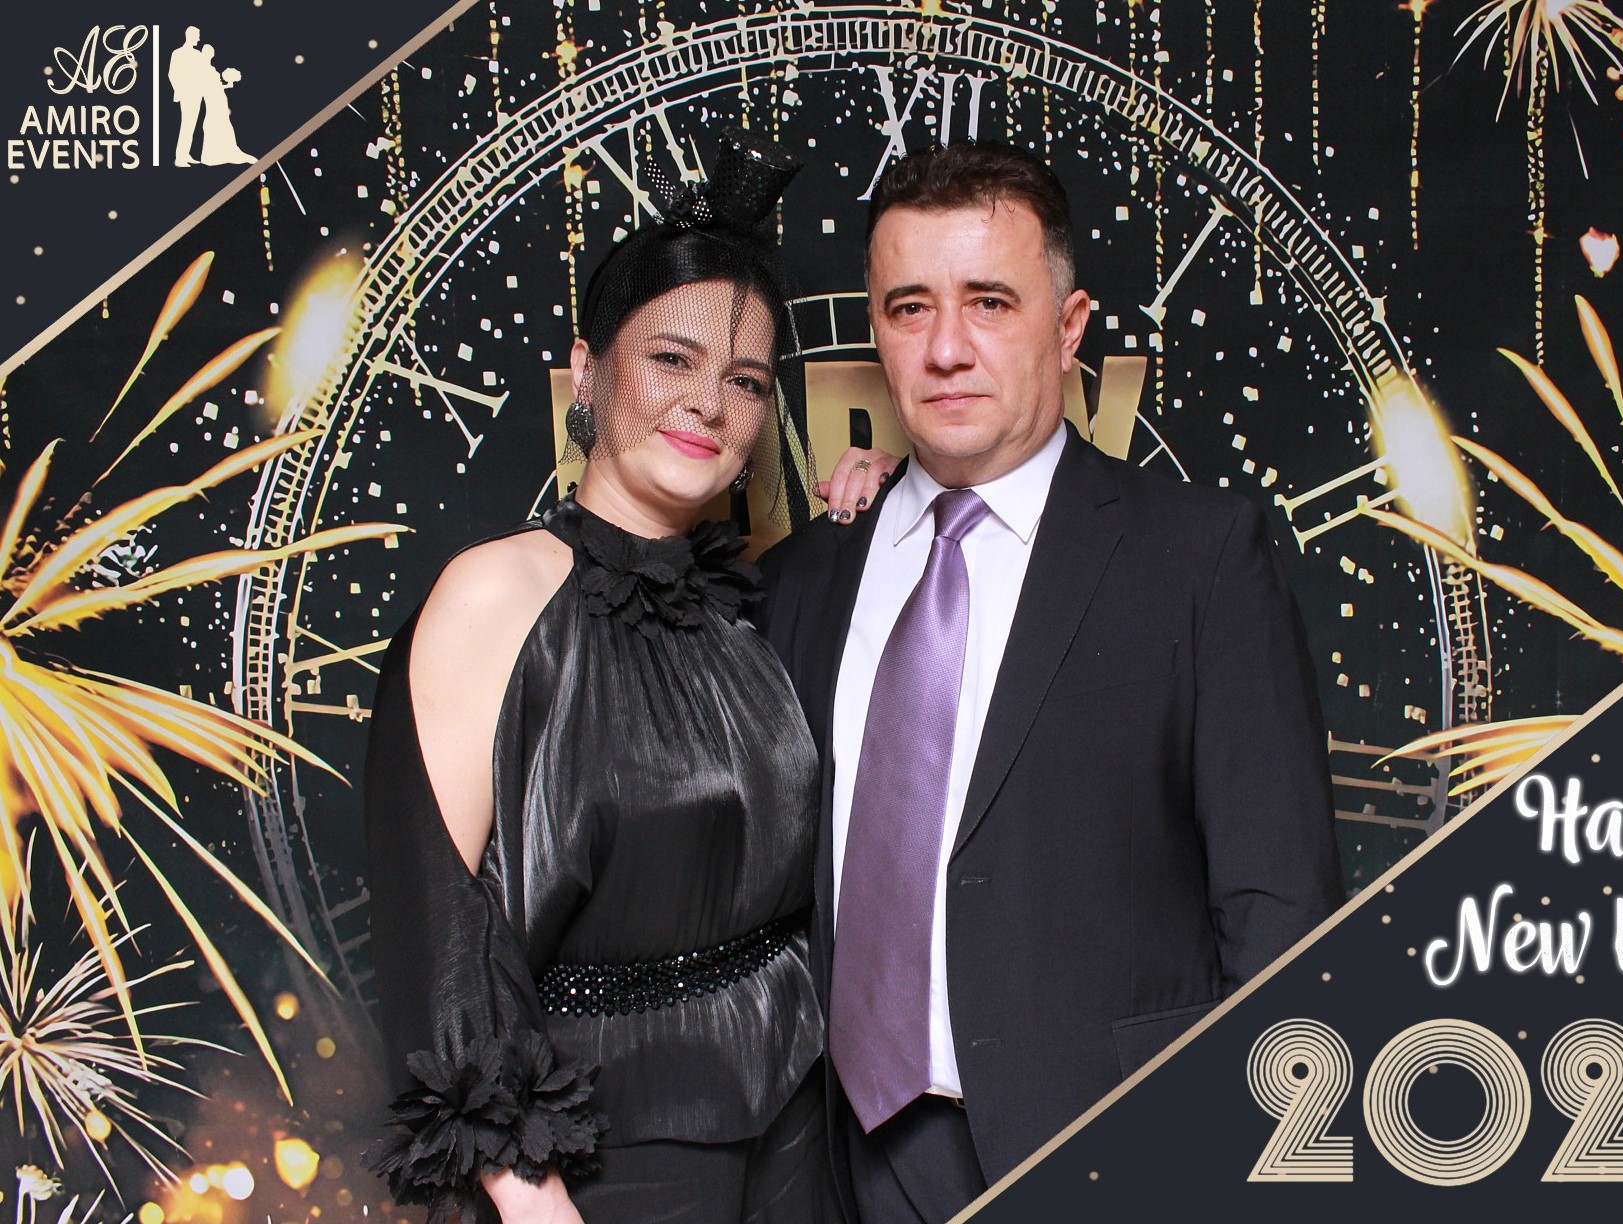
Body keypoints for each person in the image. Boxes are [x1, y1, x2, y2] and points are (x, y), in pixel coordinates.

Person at [758, 141, 1345, 1223]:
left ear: (1069, 327)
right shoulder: (804, 576)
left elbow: (1281, 915)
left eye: (989, 303)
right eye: (908, 308)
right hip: (838, 1168)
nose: (946, 349)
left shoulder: (1197, 557)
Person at [361, 131, 888, 1224]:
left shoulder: (751, 607)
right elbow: (439, 937)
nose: (709, 404)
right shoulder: (496, 595)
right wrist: (527, 1194)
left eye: (745, 381)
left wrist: (896, 486)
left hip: (803, 1132)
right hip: (608, 1154)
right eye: (671, 360)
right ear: (588, 371)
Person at [195, 45, 255, 166]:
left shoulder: (210, 68)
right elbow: (206, 87)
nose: (211, 54)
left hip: (219, 99)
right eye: (209, 52)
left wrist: (228, 84)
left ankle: (226, 152)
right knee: (215, 123)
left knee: (223, 123)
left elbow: (215, 86)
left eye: (211, 52)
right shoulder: (202, 69)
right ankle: (214, 155)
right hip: (212, 99)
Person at [167, 27, 205, 167]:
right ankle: (180, 158)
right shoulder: (178, 53)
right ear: (190, 36)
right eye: (197, 36)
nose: (199, 39)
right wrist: (181, 90)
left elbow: (202, 73)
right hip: (186, 94)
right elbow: (172, 74)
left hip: (197, 94)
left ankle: (186, 153)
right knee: (186, 125)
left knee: (191, 125)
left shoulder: (198, 54)